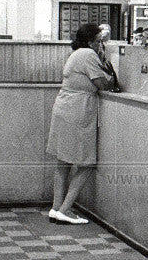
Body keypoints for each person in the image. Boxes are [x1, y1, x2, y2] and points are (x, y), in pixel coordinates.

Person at [46, 22, 115, 224]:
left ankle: (56, 208)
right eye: (99, 41)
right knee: (86, 164)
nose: (101, 45)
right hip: (78, 109)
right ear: (92, 41)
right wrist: (109, 74)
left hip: (63, 106)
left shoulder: (76, 53)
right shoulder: (88, 54)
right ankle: (66, 210)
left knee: (63, 162)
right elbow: (101, 83)